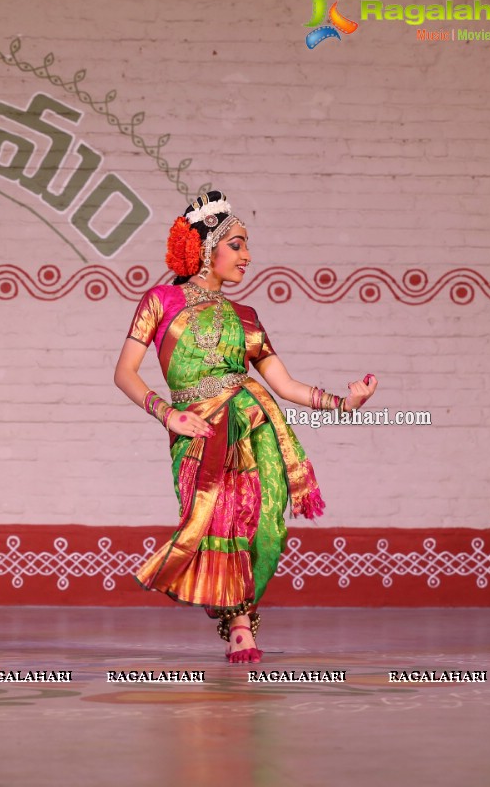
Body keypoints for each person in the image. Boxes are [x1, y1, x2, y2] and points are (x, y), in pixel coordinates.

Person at [113, 191, 376, 663]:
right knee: (215, 519)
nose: (247, 256)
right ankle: (234, 617)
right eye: (237, 244)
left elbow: (286, 384)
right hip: (197, 432)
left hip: (255, 424)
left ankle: (242, 623)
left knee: (260, 519)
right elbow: (125, 373)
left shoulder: (247, 318)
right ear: (207, 248)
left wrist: (345, 402)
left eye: (246, 246)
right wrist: (167, 413)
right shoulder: (160, 301)